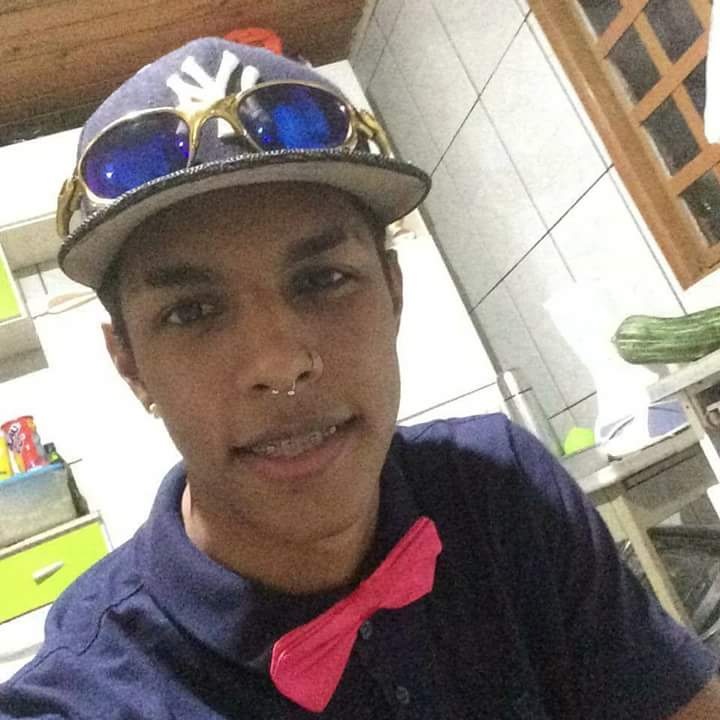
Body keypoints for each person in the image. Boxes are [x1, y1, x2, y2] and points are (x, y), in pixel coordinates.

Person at [1, 36, 719, 719]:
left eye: (323, 279)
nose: (280, 363)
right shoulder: (89, 695)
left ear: (394, 294)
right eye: (191, 312)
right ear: (131, 365)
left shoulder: (502, 489)